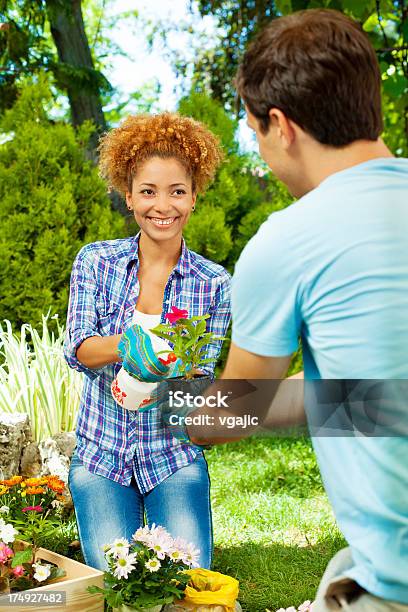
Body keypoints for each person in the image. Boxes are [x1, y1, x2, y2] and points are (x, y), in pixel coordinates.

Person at [183, 9, 408, 612]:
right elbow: (380, 394)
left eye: (254, 132)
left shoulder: (289, 241)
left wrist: (176, 403)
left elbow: (225, 416)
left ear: (280, 125)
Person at [63, 112, 231, 571]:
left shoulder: (213, 283)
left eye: (178, 191)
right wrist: (126, 345)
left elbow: (200, 377)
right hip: (101, 454)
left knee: (181, 578)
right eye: (149, 191)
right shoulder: (97, 261)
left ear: (194, 197)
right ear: (129, 195)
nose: (164, 205)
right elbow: (77, 349)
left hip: (171, 455)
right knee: (116, 582)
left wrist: (183, 385)